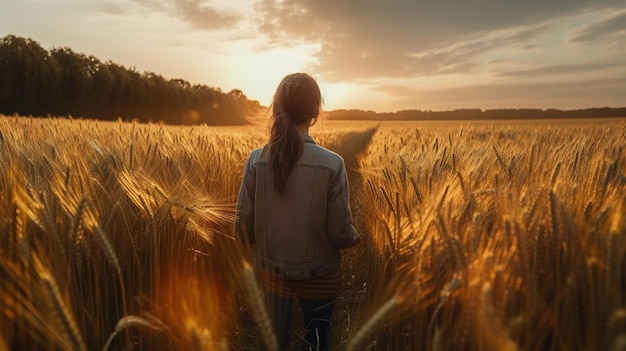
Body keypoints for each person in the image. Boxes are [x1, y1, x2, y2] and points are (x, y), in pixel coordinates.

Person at [235, 72, 361, 350]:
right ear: (315, 113)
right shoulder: (332, 163)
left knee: (275, 343)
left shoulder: (256, 160)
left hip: (273, 272)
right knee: (318, 341)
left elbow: (242, 227)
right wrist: (357, 238)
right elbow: (340, 233)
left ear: (277, 107)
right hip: (322, 275)